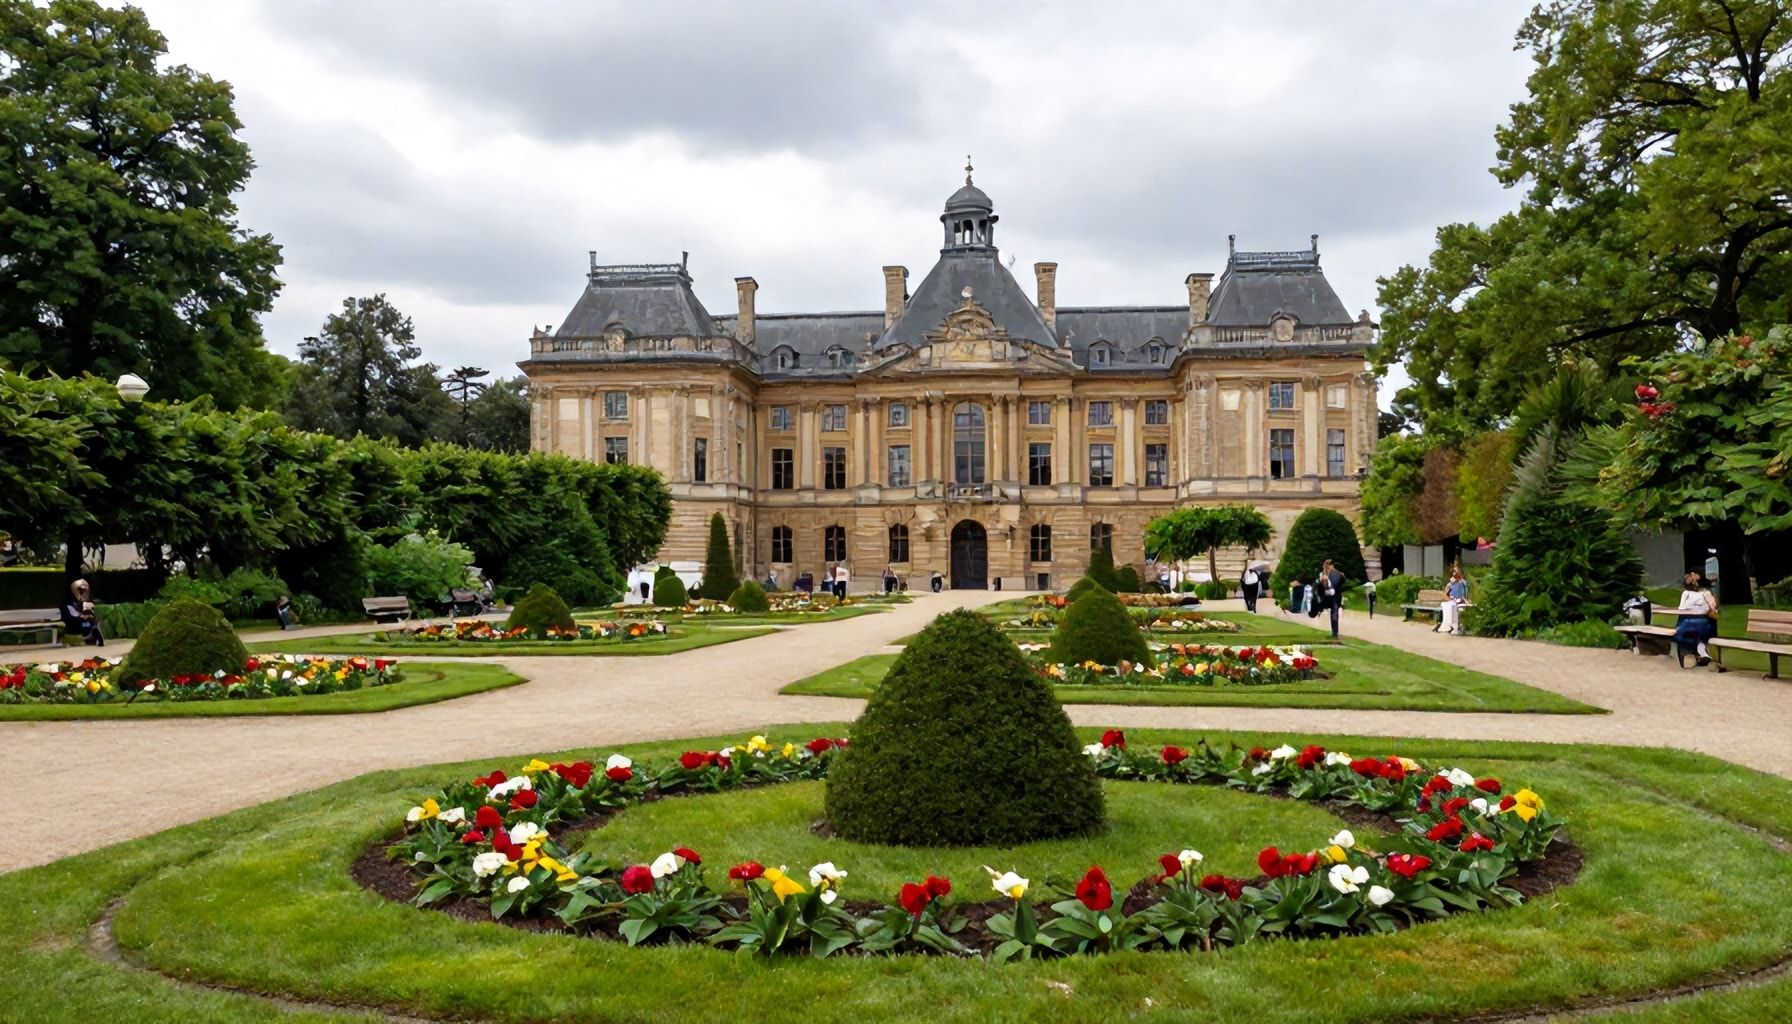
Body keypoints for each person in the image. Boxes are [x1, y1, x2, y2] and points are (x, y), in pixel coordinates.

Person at [1673, 570, 1718, 667]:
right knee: (1706, 635)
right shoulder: (1706, 593)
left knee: (1678, 633)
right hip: (1706, 624)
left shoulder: (1686, 593)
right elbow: (1713, 607)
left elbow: (1682, 608)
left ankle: (1694, 652)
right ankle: (1702, 652)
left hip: (1687, 624)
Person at [60, 578, 104, 647]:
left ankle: (94, 638)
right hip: (75, 624)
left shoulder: (83, 602)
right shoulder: (68, 604)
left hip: (84, 624)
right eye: (80, 591)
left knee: (93, 625)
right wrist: (82, 616)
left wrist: (89, 615)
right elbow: (72, 614)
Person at [1315, 559, 1345, 639]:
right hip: (1327, 597)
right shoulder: (1322, 573)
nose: (1323, 567)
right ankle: (1334, 632)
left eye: (1325, 565)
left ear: (1330, 565)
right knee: (1332, 614)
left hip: (1335, 598)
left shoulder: (1336, 574)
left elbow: (1337, 584)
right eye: (1324, 565)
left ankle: (1335, 633)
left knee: (1334, 614)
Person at [1437, 565, 1470, 635]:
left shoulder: (1463, 582)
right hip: (1451, 600)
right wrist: (1451, 584)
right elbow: (1444, 593)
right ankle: (1449, 625)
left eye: (1456, 572)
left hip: (1460, 600)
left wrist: (1466, 599)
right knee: (1448, 605)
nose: (1455, 573)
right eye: (1454, 572)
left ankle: (1455, 626)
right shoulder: (1450, 583)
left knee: (1456, 607)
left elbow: (1465, 593)